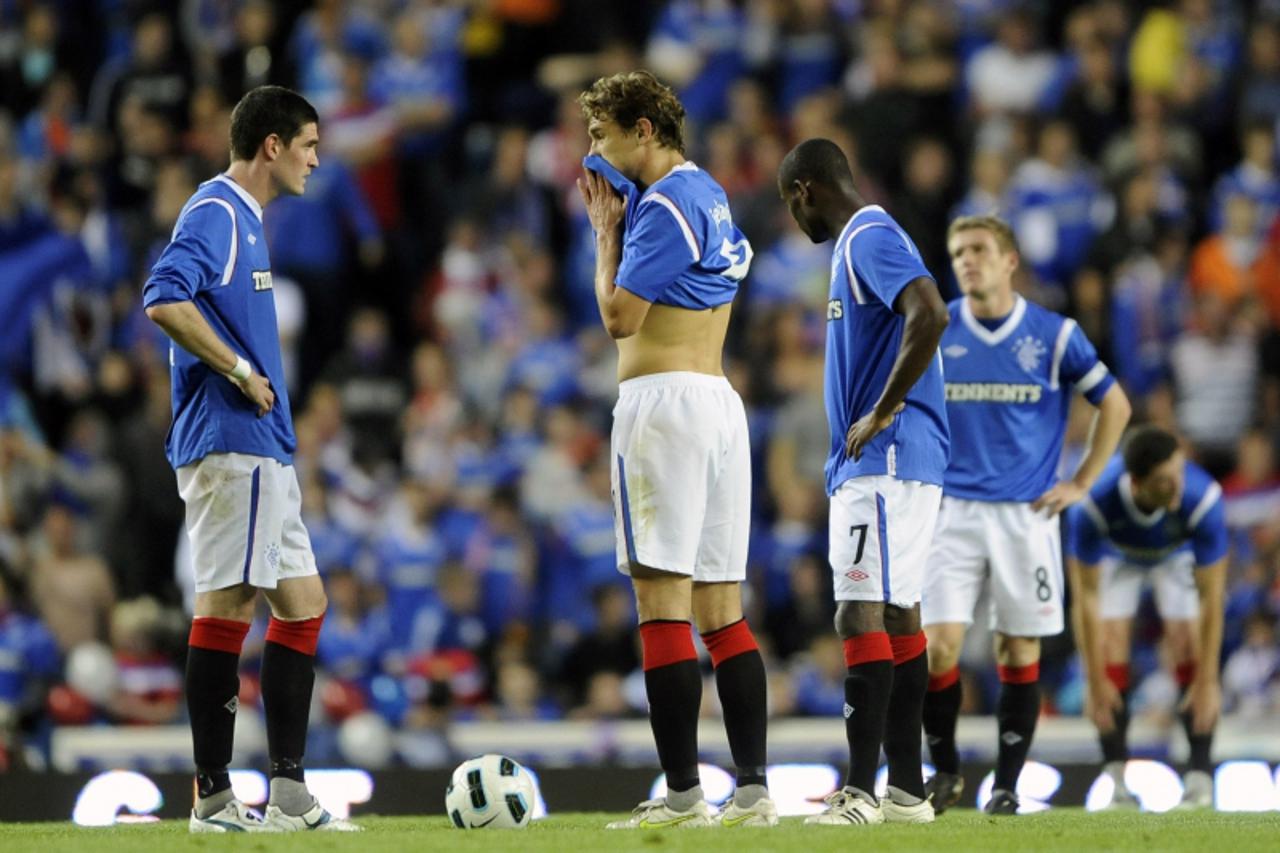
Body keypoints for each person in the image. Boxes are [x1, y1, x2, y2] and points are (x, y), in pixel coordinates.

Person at [142, 85, 357, 833]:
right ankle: (210, 797)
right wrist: (237, 369)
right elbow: (164, 300)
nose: (315, 158)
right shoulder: (217, 212)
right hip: (230, 443)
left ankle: (290, 793)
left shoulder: (250, 221)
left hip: (263, 450)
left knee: (304, 607)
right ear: (272, 145)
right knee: (226, 607)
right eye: (308, 144)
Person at [576, 70, 773, 829]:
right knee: (722, 606)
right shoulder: (713, 195)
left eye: (602, 134)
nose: (594, 151)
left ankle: (685, 794)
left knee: (661, 604)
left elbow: (621, 317)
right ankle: (752, 789)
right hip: (720, 405)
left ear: (644, 130)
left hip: (663, 406)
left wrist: (604, 238)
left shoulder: (660, 205)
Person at [920, 215, 1131, 816]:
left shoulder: (1055, 335)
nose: (966, 260)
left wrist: (1083, 481)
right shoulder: (937, 329)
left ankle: (1008, 786)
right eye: (958, 251)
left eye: (980, 249)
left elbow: (1114, 403)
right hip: (952, 510)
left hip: (1026, 512)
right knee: (939, 647)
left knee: (1018, 652)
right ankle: (947, 770)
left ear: (1010, 260)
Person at [778, 137, 950, 826]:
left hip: (884, 461)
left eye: (794, 205)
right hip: (908, 463)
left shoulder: (867, 235)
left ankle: (859, 790)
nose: (797, 219)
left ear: (805, 191)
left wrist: (880, 408)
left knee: (858, 609)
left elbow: (930, 312)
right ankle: (907, 790)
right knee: (901, 612)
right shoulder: (869, 238)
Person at [1065, 426, 1227, 809]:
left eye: (1179, 473)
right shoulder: (1093, 504)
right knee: (1108, 649)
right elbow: (1084, 598)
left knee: (1187, 640)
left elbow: (1212, 599)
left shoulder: (1202, 499)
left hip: (1176, 556)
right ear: (1136, 484)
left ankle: (1201, 777)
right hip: (1118, 558)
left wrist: (1207, 681)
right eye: (1164, 481)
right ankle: (1116, 781)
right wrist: (1093, 680)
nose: (1177, 486)